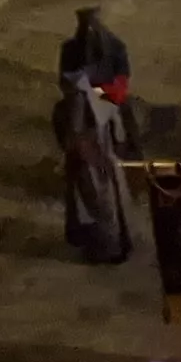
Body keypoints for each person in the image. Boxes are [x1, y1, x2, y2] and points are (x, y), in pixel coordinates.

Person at [53, 70, 136, 264]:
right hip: (107, 162)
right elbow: (120, 132)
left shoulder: (69, 106)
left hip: (89, 164)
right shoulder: (103, 97)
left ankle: (107, 249)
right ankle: (118, 245)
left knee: (98, 209)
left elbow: (71, 136)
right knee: (112, 206)